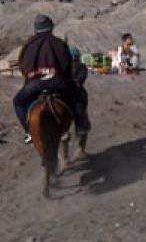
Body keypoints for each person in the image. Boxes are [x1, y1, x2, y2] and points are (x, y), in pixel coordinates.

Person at [12, 14, 90, 145]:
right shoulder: (59, 43)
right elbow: (66, 64)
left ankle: (28, 131)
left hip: (35, 83)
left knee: (18, 102)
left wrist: (31, 76)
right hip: (57, 81)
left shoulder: (28, 45)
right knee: (78, 96)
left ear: (36, 29)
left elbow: (22, 64)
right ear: (51, 28)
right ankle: (80, 125)